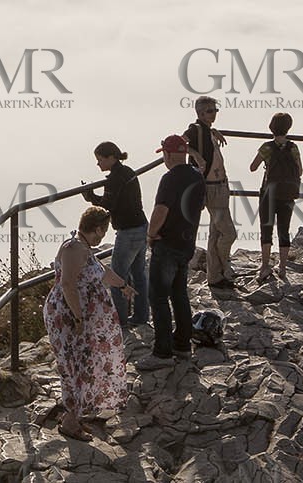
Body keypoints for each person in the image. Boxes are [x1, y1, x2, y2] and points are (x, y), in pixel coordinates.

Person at [42, 206, 133, 440]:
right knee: (76, 368)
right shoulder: (74, 249)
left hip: (77, 316)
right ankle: (70, 422)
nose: (104, 236)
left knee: (85, 365)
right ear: (97, 229)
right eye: (103, 231)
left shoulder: (83, 247)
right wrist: (79, 318)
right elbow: (68, 285)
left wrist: (123, 286)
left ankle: (75, 417)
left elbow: (102, 273)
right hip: (68, 317)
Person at [145, 135, 206, 362]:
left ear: (168, 154)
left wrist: (151, 235)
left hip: (167, 243)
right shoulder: (197, 177)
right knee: (179, 295)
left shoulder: (169, 179)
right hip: (186, 243)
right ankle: (182, 345)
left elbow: (161, 210)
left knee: (158, 297)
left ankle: (161, 353)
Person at [82, 141, 149, 330]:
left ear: (111, 157)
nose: (98, 164)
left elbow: (108, 206)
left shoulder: (115, 178)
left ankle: (120, 321)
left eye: (100, 159)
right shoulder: (128, 172)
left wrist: (91, 198)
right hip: (141, 226)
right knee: (138, 274)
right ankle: (141, 316)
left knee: (118, 277)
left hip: (128, 231)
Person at [184, 96, 238, 290]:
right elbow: (181, 143)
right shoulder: (195, 129)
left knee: (215, 234)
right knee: (229, 233)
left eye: (215, 110)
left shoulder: (207, 131)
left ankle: (215, 277)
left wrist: (213, 132)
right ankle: (224, 268)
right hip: (212, 187)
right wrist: (195, 154)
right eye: (210, 111)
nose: (213, 114)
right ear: (200, 113)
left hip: (220, 186)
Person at [250, 113, 303, 281]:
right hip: (288, 194)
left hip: (268, 193)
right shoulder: (293, 148)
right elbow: (300, 170)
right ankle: (282, 268)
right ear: (288, 127)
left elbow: (252, 167)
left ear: (271, 127)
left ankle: (265, 266)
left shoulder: (267, 147)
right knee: (284, 229)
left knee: (266, 228)